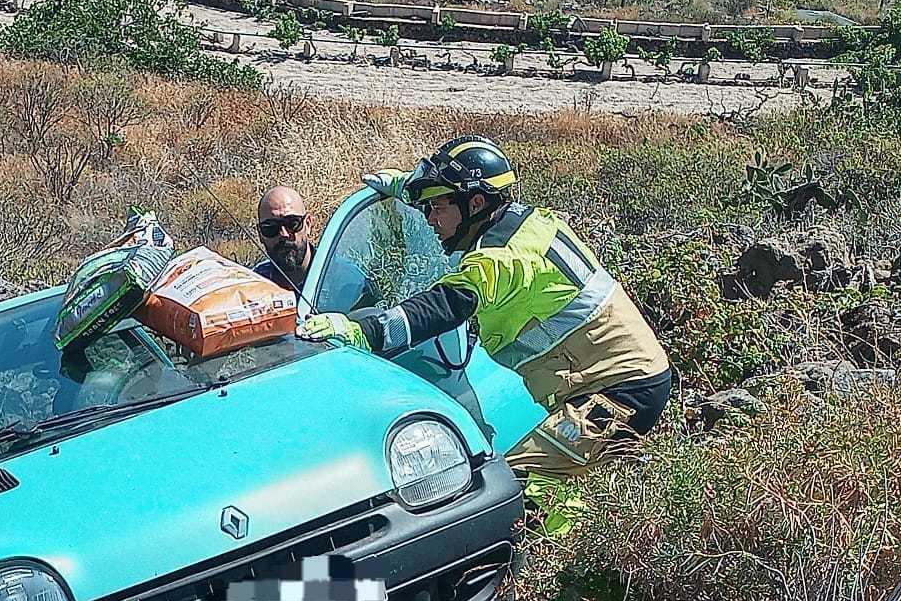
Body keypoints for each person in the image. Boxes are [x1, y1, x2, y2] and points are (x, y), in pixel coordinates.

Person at [301, 138, 671, 476]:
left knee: (514, 491)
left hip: (618, 393)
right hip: (622, 378)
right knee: (558, 487)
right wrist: (408, 189)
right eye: (426, 208)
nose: (429, 219)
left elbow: (445, 304)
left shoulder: (500, 259)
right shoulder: (528, 222)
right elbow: (455, 202)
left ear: (476, 204)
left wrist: (364, 331)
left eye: (436, 207)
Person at [254, 185, 316, 296]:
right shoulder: (254, 284)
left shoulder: (341, 277)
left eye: (292, 223)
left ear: (308, 224)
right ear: (260, 235)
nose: (284, 234)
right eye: (270, 228)